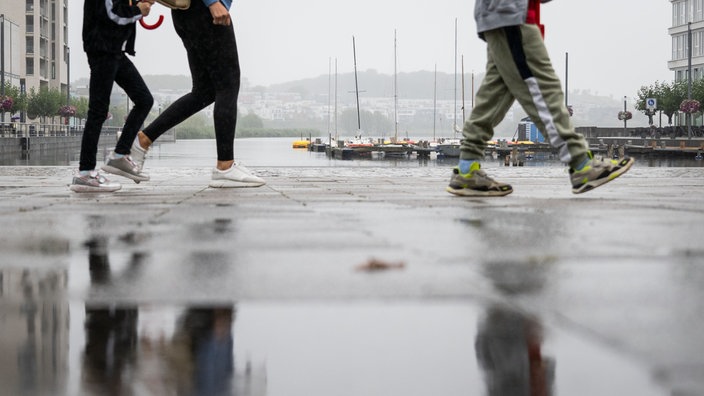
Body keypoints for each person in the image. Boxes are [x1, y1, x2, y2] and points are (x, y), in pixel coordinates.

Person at [447, 0, 634, 197]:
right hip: (511, 13)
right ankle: (581, 164)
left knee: (494, 97)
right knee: (543, 89)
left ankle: (467, 170)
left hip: (504, 14)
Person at [130, 0, 265, 188]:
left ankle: (142, 140)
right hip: (205, 11)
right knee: (227, 85)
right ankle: (225, 167)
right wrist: (213, 2)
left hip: (188, 14)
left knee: (204, 91)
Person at [71, 0, 155, 193]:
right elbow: (110, 14)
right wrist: (138, 11)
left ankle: (120, 155)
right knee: (98, 112)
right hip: (102, 50)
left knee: (144, 100)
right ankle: (85, 173)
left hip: (116, 51)